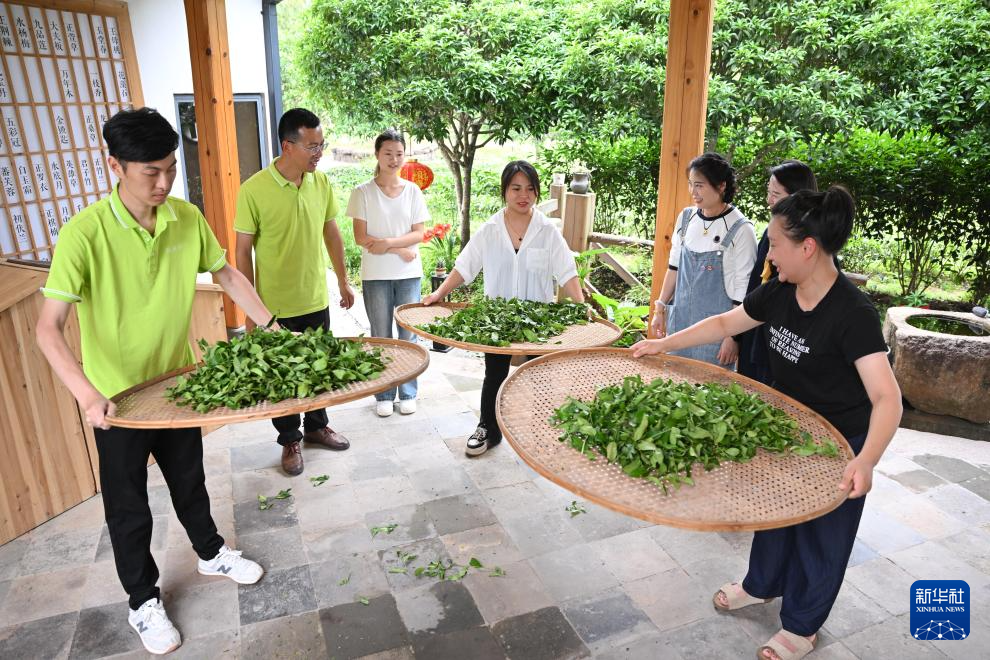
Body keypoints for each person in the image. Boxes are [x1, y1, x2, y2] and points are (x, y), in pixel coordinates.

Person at [632, 186, 902, 660]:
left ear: (808, 247)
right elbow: (724, 324)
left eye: (775, 245)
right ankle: (761, 584)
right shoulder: (780, 292)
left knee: (823, 535)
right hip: (787, 426)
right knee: (775, 511)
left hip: (839, 441)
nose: (770, 255)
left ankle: (801, 626)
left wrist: (866, 460)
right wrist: (662, 344)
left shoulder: (852, 313)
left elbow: (887, 399)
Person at [36, 108, 270, 655]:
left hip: (176, 385)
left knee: (190, 479)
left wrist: (271, 326)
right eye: (150, 173)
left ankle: (211, 553)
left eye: (170, 169)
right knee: (128, 506)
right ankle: (142, 600)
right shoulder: (84, 233)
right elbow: (48, 329)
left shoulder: (186, 218)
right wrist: (88, 394)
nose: (163, 183)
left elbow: (225, 272)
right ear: (115, 166)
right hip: (118, 400)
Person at [422, 161, 583, 456]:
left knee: (540, 376)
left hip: (539, 320)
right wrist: (439, 293)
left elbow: (567, 272)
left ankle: (541, 432)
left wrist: (582, 306)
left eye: (530, 189)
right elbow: (465, 266)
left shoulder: (547, 231)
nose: (524, 195)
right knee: (494, 374)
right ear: (505, 191)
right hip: (498, 319)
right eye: (516, 188)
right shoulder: (491, 229)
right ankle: (487, 429)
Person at [234, 108, 355, 477]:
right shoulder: (253, 190)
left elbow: (331, 232)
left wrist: (343, 280)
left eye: (322, 145)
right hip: (274, 306)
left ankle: (317, 426)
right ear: (288, 146)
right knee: (283, 375)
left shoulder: (321, 182)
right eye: (312, 146)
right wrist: (251, 310)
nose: (319, 153)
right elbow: (242, 252)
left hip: (314, 296)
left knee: (318, 368)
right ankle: (290, 439)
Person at [347, 130, 428, 417]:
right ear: (377, 155)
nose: (394, 159)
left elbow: (419, 233)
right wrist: (400, 249)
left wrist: (390, 244)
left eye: (399, 154)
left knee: (408, 336)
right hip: (376, 275)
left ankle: (408, 392)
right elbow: (361, 237)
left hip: (409, 273)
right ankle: (383, 393)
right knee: (381, 336)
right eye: (388, 153)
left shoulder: (413, 191)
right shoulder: (362, 192)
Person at [650, 152, 757, 367]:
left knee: (709, 385)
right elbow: (674, 267)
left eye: (699, 185)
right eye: (690, 184)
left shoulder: (741, 229)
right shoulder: (686, 218)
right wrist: (660, 309)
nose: (693, 192)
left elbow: (743, 288)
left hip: (717, 335)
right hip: (679, 324)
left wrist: (733, 337)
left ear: (721, 186)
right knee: (673, 379)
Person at [737, 160, 818, 384]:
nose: (769, 200)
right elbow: (755, 284)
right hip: (755, 329)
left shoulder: (813, 243)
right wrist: (735, 336)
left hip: (781, 340)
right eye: (768, 192)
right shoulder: (772, 232)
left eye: (776, 194)